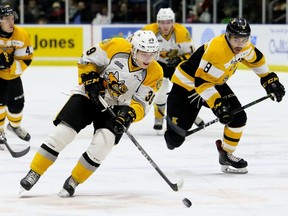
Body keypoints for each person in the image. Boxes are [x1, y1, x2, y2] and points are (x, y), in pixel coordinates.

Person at [20, 30, 163, 197]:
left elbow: (141, 103)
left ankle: (74, 180)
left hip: (117, 107)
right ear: (133, 50)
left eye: (151, 54)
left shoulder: (155, 72)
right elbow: (86, 59)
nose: (148, 59)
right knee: (62, 133)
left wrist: (128, 115)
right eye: (143, 53)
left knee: (103, 145)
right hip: (90, 95)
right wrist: (89, 79)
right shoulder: (116, 46)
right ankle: (35, 172)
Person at [164, 18, 285, 174]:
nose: (239, 43)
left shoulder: (244, 47)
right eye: (236, 38)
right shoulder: (217, 50)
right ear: (228, 35)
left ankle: (226, 154)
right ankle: (178, 111)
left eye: (243, 38)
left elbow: (256, 59)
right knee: (174, 141)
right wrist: (217, 105)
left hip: (213, 83)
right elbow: (201, 83)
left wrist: (268, 79)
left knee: (238, 117)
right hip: (187, 86)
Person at [142, 8, 204, 131]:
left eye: (169, 22)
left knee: (185, 88)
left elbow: (191, 54)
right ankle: (158, 117)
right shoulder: (148, 31)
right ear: (157, 22)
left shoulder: (182, 32)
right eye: (162, 22)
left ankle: (192, 114)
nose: (165, 26)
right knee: (162, 86)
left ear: (173, 22)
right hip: (155, 63)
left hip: (177, 63)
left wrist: (179, 59)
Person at [0, 4, 33, 150]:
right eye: (7, 19)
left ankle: (14, 126)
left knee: (17, 105)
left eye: (12, 18)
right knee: (0, 105)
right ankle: (0, 131)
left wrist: (9, 66)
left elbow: (26, 59)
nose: (11, 22)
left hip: (13, 77)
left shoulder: (21, 35)